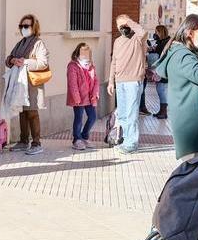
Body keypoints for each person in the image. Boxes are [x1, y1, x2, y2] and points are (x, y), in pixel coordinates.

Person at [157, 14, 198, 159]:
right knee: (196, 172)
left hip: (194, 122)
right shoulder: (182, 56)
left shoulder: (187, 53)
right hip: (192, 125)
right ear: (189, 33)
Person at [4, 14, 50, 155]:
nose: (23, 28)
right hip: (20, 83)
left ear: (33, 27)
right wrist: (13, 61)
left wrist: (25, 62)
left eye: (26, 26)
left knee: (32, 112)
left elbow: (43, 63)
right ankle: (23, 141)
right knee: (22, 112)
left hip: (31, 83)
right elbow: (8, 58)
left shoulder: (38, 43)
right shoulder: (21, 43)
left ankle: (37, 143)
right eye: (21, 26)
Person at [104, 15, 149, 154]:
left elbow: (143, 31)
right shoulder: (117, 41)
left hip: (133, 81)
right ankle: (125, 140)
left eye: (124, 25)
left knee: (131, 113)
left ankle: (132, 143)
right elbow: (114, 62)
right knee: (123, 114)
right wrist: (111, 81)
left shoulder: (138, 38)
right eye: (119, 26)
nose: (122, 28)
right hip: (120, 81)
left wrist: (128, 21)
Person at [66, 42, 99, 151]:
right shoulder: (73, 66)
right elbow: (72, 83)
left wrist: (95, 94)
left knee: (93, 117)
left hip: (90, 97)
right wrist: (76, 98)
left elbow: (96, 81)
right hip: (79, 98)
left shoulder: (91, 66)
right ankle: (77, 139)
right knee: (79, 118)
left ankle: (84, 136)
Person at [148, 26, 171, 119]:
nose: (155, 34)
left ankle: (164, 111)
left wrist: (154, 49)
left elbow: (161, 55)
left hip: (164, 69)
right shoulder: (161, 42)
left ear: (161, 32)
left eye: (156, 32)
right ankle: (161, 110)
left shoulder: (166, 43)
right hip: (160, 69)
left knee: (162, 90)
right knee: (159, 89)